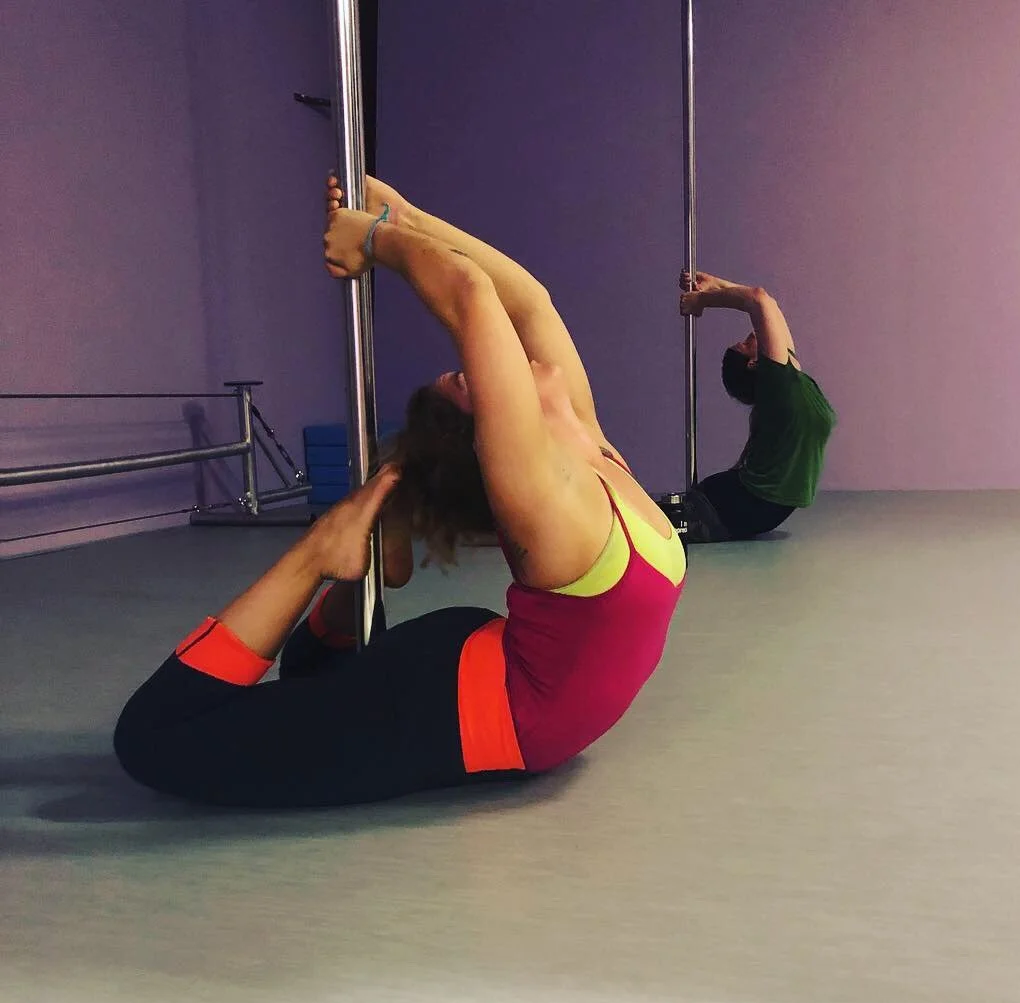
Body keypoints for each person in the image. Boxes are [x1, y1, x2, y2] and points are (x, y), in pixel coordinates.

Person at [111, 176, 686, 808]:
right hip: (466, 700)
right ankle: (330, 552)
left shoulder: (573, 460)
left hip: (474, 688)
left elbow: (514, 301)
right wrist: (387, 233)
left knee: (268, 697)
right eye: (466, 381)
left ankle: (348, 556)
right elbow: (489, 299)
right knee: (156, 739)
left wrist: (394, 226)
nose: (473, 365)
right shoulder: (559, 479)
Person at [679, 271, 836, 540]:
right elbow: (759, 300)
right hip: (733, 504)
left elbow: (766, 303)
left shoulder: (789, 382)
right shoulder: (778, 383)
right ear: (753, 363)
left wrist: (715, 286)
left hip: (750, 506)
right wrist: (703, 301)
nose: (750, 335)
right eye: (744, 344)